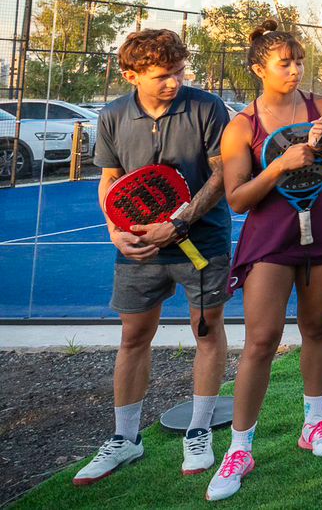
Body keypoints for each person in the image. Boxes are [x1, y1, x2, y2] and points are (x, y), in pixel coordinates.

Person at [75, 30, 231, 487]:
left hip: (203, 244)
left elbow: (223, 176)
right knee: (133, 337)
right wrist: (115, 231)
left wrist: (179, 224)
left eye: (180, 72)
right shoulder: (112, 114)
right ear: (131, 74)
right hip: (137, 248)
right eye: (163, 75)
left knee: (206, 331)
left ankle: (199, 431)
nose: (174, 82)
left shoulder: (207, 107)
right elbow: (110, 180)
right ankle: (126, 439)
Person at [203, 22, 322, 500]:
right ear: (258, 68)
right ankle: (239, 448)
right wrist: (278, 165)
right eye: (283, 62)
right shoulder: (241, 126)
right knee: (261, 340)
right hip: (270, 235)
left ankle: (315, 423)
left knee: (317, 327)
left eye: (299, 60)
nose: (295, 69)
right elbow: (237, 200)